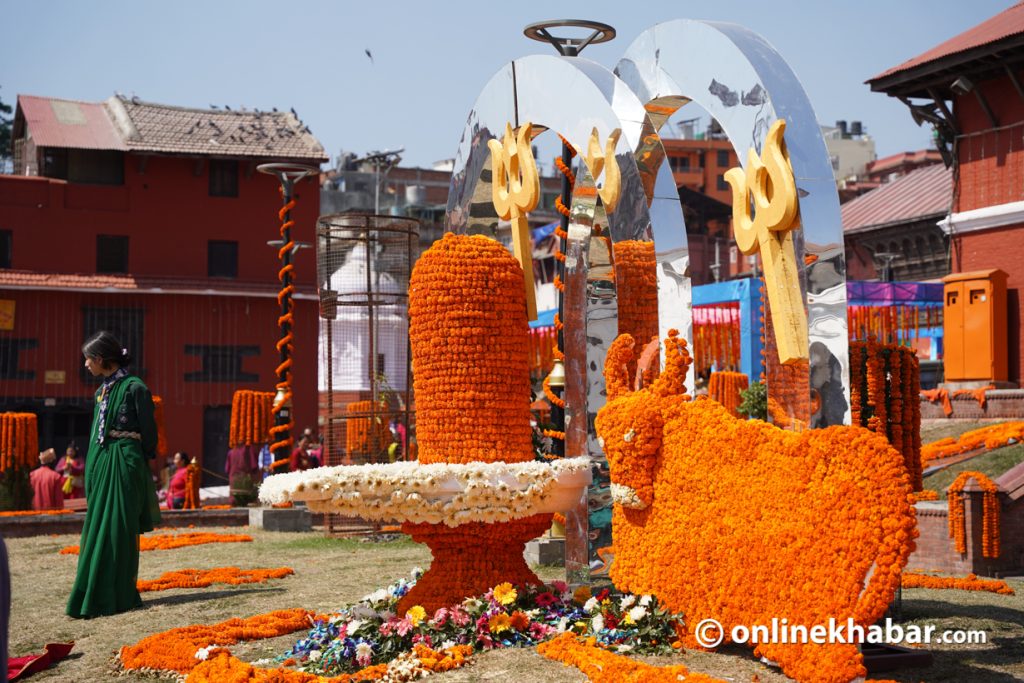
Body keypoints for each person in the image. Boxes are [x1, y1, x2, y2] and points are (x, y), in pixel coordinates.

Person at [66, 331, 161, 619]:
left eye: (87, 360)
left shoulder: (135, 388)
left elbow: (149, 436)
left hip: (124, 464)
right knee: (96, 528)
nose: (85, 366)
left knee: (119, 528)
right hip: (103, 463)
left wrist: (134, 463)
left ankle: (118, 593)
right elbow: (97, 433)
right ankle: (92, 591)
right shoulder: (100, 392)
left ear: (100, 359)